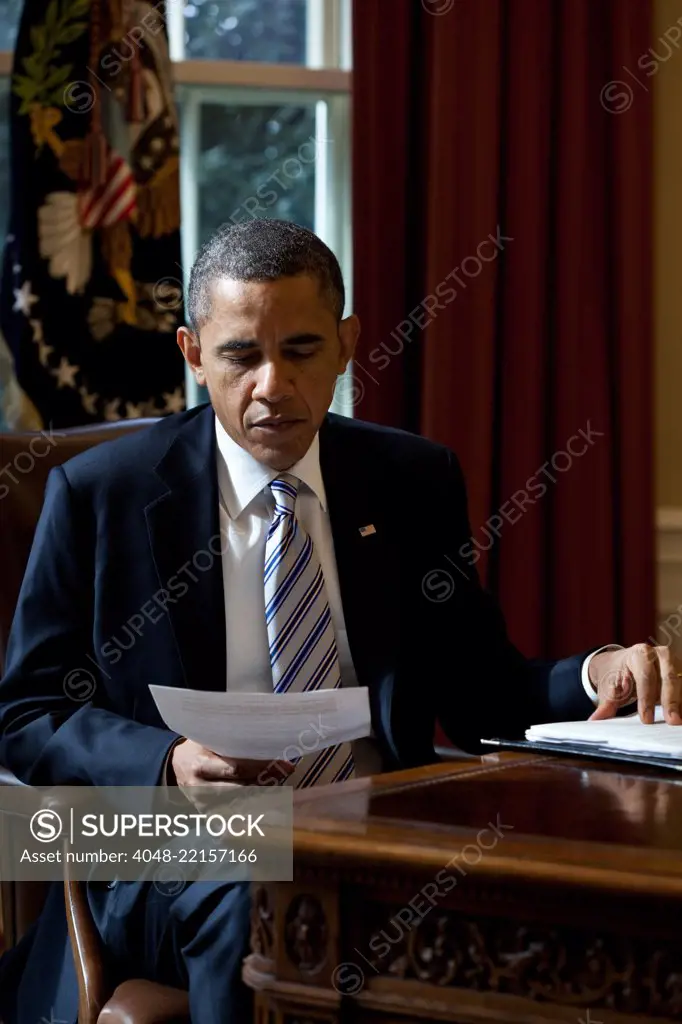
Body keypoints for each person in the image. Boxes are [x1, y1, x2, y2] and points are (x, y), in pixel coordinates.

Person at [0, 219, 679, 1024]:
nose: (272, 385)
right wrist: (166, 761)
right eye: (240, 355)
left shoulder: (411, 480)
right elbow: (26, 714)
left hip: (376, 836)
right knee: (265, 885)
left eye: (301, 349)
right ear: (191, 353)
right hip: (166, 847)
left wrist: (599, 670)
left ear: (349, 343)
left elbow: (484, 693)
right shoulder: (99, 495)